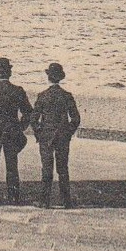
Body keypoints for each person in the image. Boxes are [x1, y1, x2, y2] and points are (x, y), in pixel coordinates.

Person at [0, 57, 32, 204]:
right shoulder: (17, 90)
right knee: (12, 165)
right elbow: (28, 112)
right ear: (9, 72)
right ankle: (13, 196)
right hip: (11, 132)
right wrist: (21, 127)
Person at [32, 62, 81, 209]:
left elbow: (34, 119)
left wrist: (39, 133)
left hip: (46, 136)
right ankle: (66, 200)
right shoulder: (67, 96)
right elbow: (76, 119)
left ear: (48, 77)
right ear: (60, 78)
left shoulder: (42, 96)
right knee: (63, 169)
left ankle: (44, 200)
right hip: (62, 136)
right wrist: (68, 132)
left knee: (46, 168)